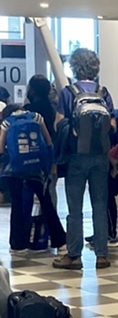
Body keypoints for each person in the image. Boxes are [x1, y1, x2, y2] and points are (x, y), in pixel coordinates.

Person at [53, 47, 115, 270]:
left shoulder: (68, 93)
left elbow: (59, 124)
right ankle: (102, 255)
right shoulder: (103, 92)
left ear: (74, 67)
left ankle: (74, 255)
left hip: (76, 157)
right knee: (100, 204)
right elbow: (113, 125)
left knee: (75, 208)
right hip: (100, 156)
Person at [0, 104, 66, 254]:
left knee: (17, 206)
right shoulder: (37, 118)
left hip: (15, 171)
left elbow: (0, 149)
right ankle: (60, 241)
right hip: (37, 170)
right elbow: (49, 143)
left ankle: (18, 245)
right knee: (47, 204)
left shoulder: (7, 123)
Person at [24, 75, 59, 207]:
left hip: (31, 153)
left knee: (30, 188)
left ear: (32, 90)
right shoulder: (54, 108)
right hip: (51, 153)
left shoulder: (28, 109)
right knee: (50, 188)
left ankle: (32, 218)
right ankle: (50, 217)